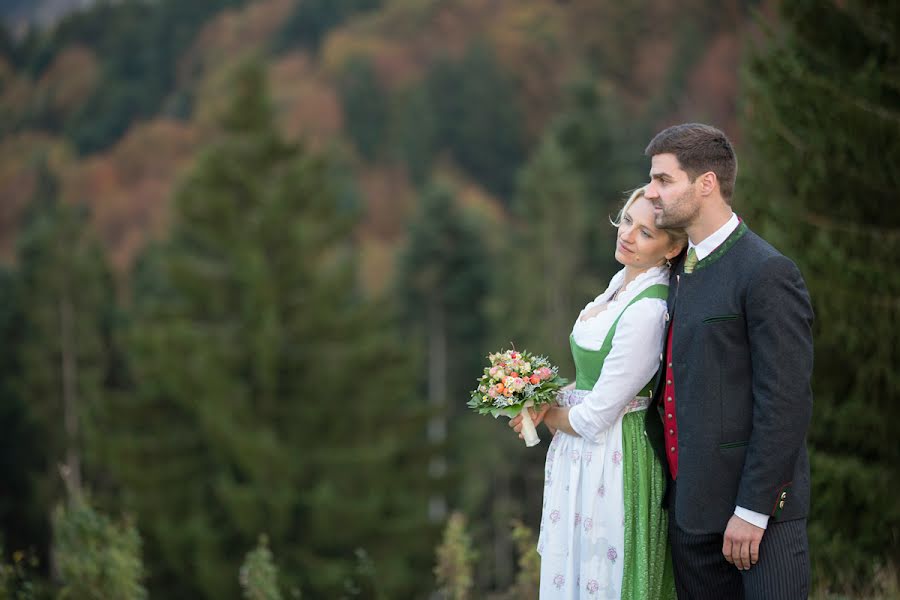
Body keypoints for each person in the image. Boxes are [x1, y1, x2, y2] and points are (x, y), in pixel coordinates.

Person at [641, 123, 814, 599]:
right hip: (690, 519)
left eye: (663, 180)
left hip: (759, 524)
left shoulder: (767, 273)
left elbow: (785, 402)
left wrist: (754, 510)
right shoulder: (675, 273)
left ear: (706, 184)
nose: (652, 193)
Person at [511, 187, 686, 599]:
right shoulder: (620, 284)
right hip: (582, 453)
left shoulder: (647, 309)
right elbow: (594, 382)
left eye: (645, 233)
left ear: (671, 247)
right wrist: (541, 396)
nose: (627, 235)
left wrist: (544, 416)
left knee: (602, 576)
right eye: (627, 220)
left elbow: (594, 417)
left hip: (613, 454)